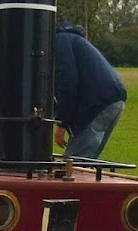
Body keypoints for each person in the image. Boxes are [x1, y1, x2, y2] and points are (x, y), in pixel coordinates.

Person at [53, 22, 127, 160]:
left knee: (74, 165)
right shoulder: (72, 39)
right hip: (115, 99)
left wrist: (61, 124)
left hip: (97, 102)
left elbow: (67, 82)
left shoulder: (59, 42)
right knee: (87, 161)